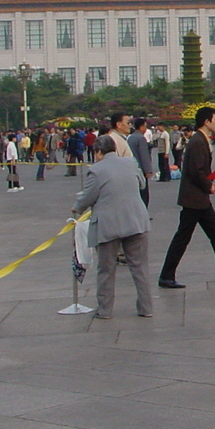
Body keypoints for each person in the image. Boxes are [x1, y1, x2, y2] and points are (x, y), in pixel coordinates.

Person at [157, 107, 215, 288]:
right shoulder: (198, 141)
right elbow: (196, 170)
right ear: (206, 121)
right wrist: (209, 185)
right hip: (194, 198)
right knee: (184, 236)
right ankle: (166, 275)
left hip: (198, 198)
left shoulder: (200, 139)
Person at [72, 134, 154, 319]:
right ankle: (146, 307)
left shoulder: (96, 170)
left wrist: (77, 207)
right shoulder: (131, 162)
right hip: (136, 221)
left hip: (109, 225)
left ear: (98, 152)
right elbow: (141, 183)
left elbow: (88, 196)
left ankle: (105, 309)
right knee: (140, 267)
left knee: (106, 270)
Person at [128, 118, 155, 210]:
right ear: (141, 127)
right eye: (145, 126)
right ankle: (143, 212)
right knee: (144, 193)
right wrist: (148, 170)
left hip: (132, 168)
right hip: (141, 170)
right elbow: (144, 155)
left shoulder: (130, 138)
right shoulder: (141, 138)